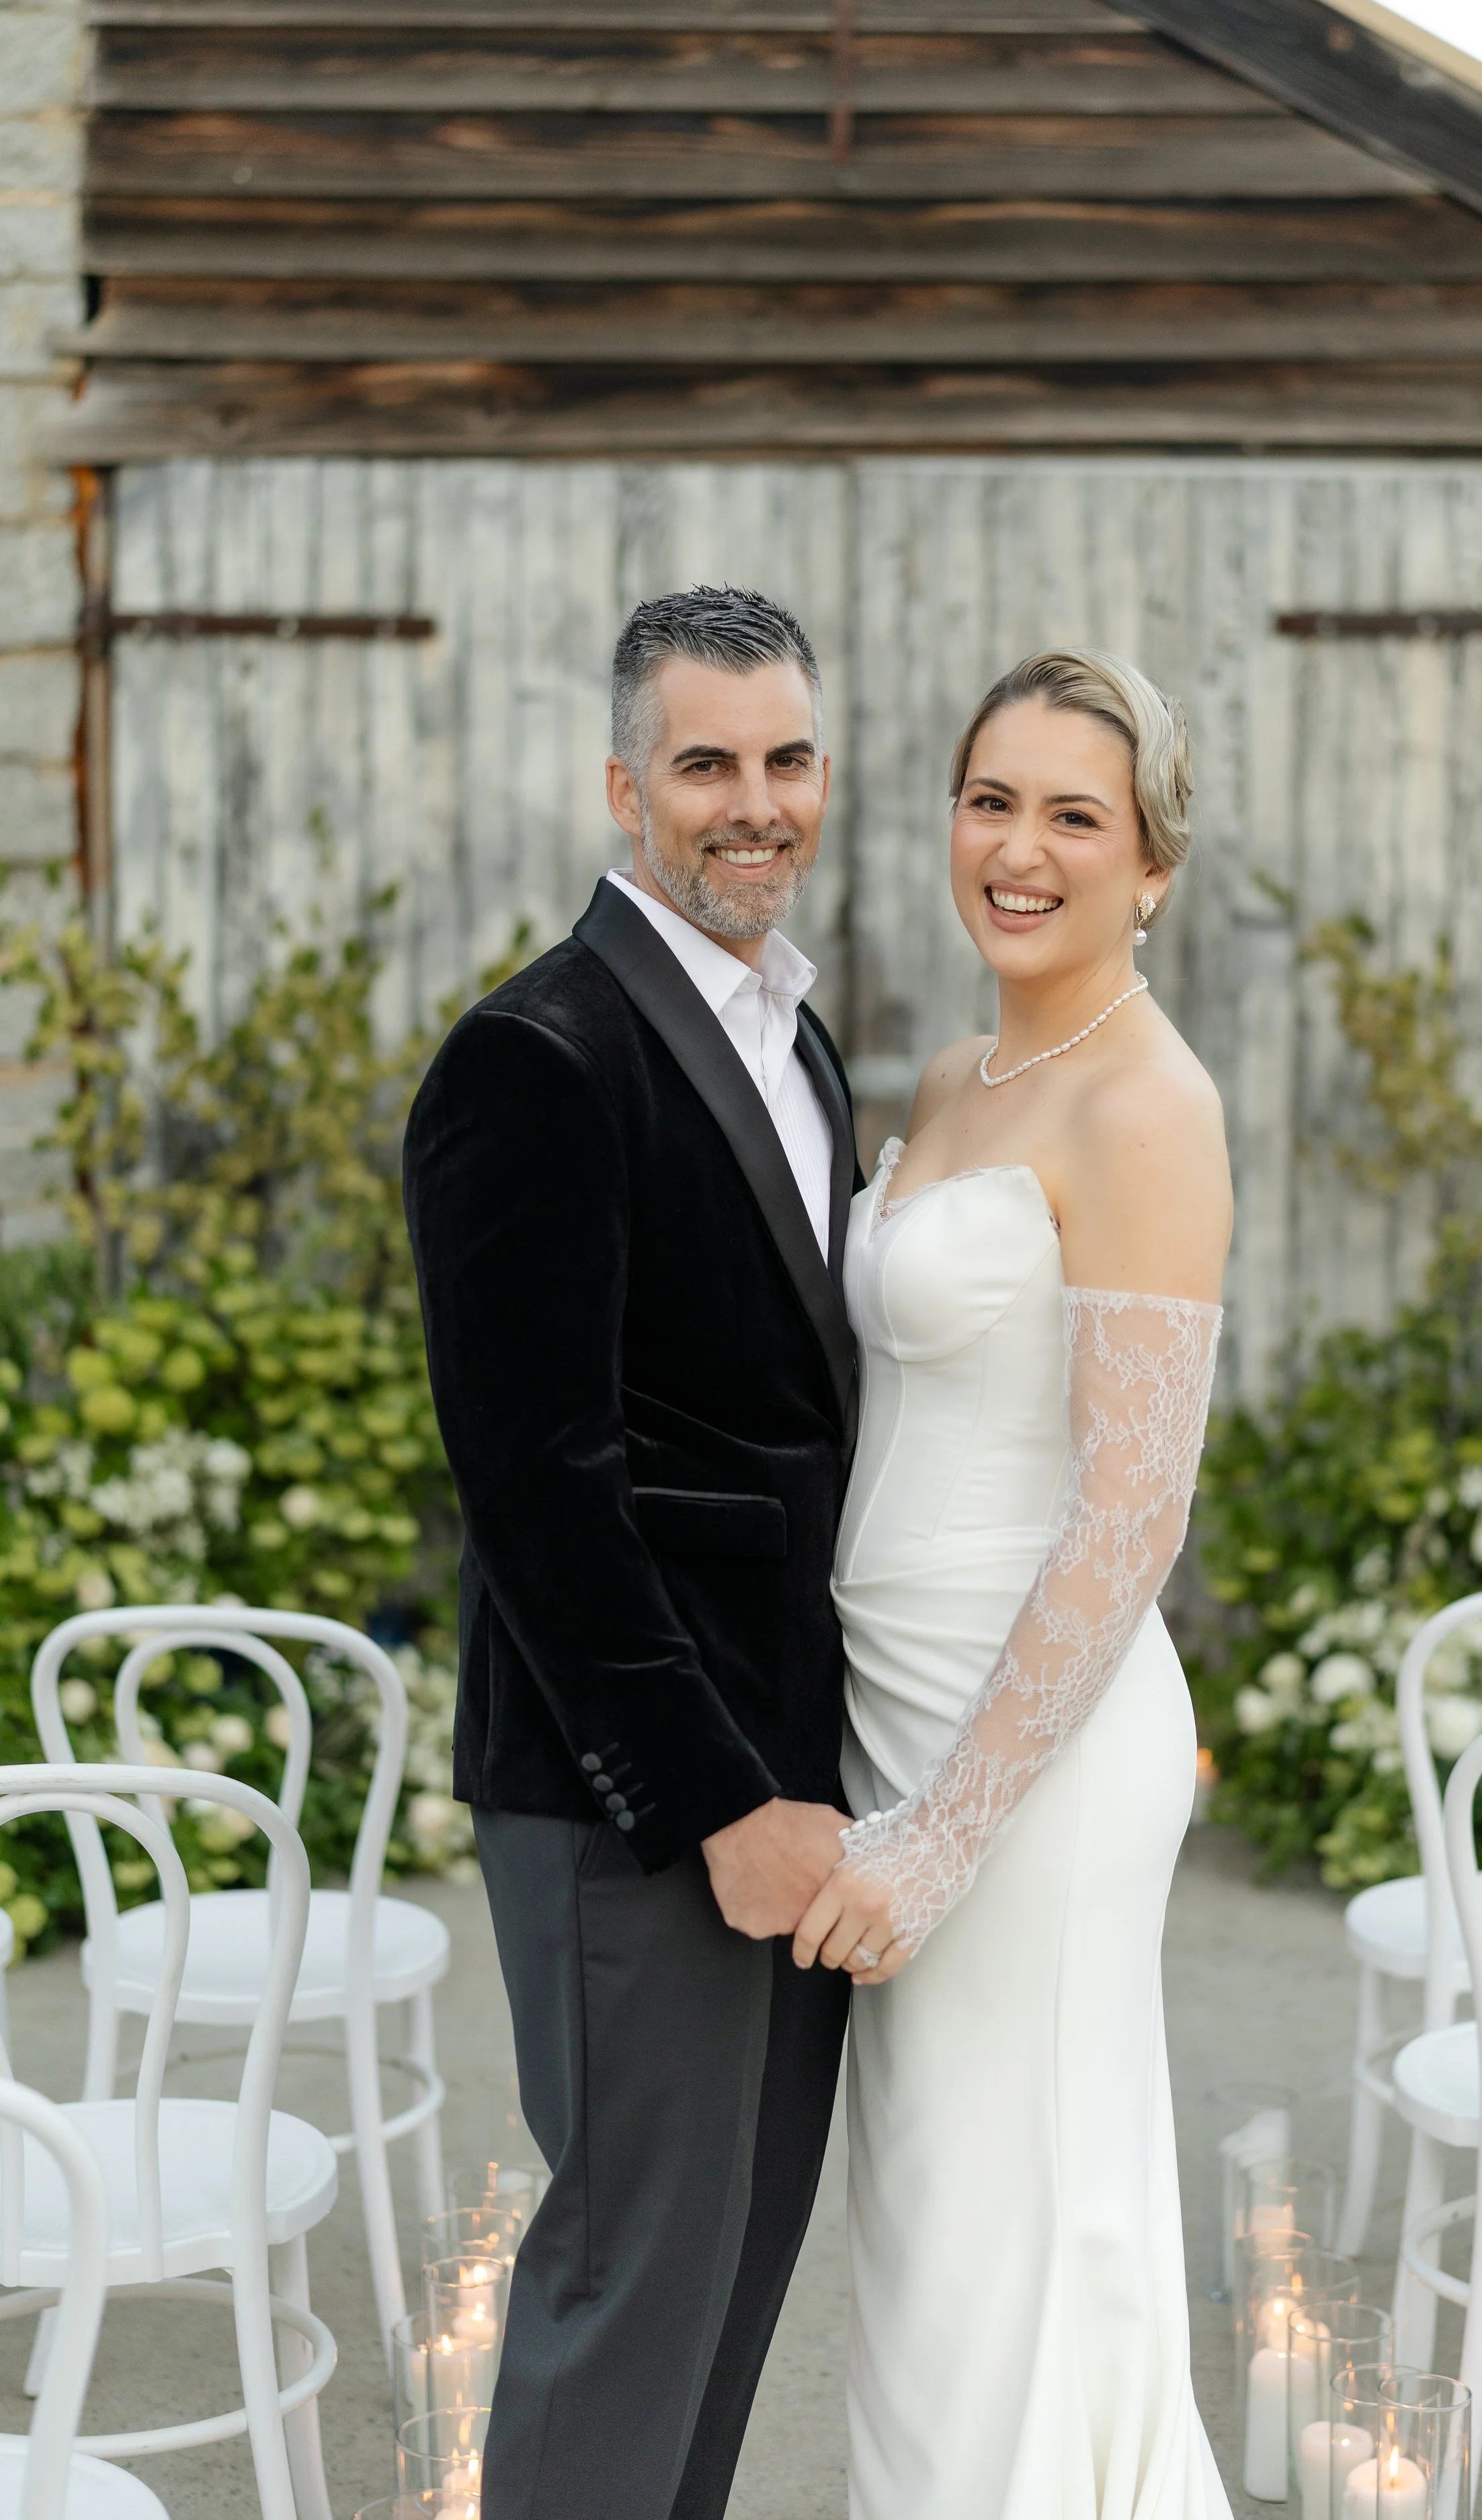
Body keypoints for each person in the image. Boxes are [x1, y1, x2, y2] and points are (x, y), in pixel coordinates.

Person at [404, 586, 858, 2520]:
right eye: (705, 764)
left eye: (784, 760)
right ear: (623, 785)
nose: (750, 804)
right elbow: (539, 1494)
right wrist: (711, 1802)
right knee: (625, 2287)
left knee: (726, 2284)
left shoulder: (793, 1027)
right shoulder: (538, 1055)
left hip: (801, 1779)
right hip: (638, 1804)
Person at [794, 650, 1235, 2517]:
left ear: (1150, 869)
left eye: (1076, 815)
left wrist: (943, 1831)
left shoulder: (1145, 1102)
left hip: (1028, 1765)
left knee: (1018, 2240)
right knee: (930, 2244)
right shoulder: (958, 1069)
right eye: (992, 799)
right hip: (892, 1714)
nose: (1021, 848)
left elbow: (1130, 1516)